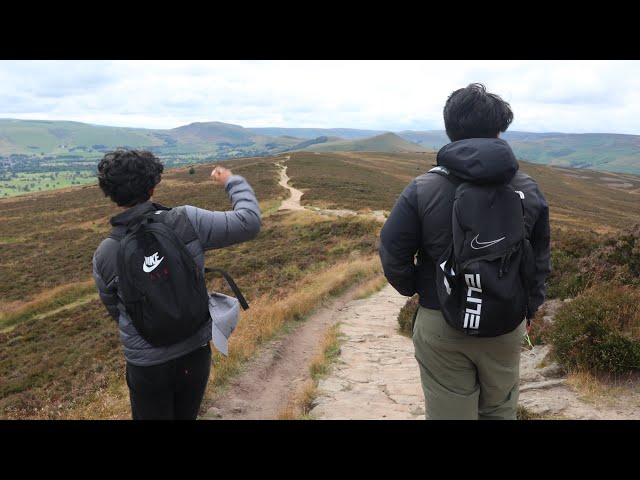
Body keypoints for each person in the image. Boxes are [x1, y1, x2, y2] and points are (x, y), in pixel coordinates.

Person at [379, 83, 550, 420]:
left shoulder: (423, 188)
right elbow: (540, 260)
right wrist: (529, 308)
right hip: (506, 321)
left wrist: (421, 289)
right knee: (500, 410)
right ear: (499, 131)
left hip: (440, 320)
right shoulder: (528, 189)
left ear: (450, 130)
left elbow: (392, 254)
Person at [92, 149, 261, 420]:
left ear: (110, 194)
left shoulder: (105, 253)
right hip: (194, 352)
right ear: (153, 185)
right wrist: (232, 181)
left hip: (146, 364)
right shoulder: (186, 220)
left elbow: (116, 309)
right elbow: (249, 222)